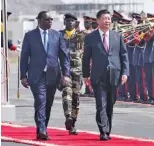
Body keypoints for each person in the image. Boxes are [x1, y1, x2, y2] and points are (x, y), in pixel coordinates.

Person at [20, 11, 70, 140]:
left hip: (53, 75)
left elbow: (64, 56)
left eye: (51, 20)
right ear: (40, 20)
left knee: (48, 103)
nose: (50, 22)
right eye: (48, 20)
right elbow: (24, 56)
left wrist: (66, 74)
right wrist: (23, 76)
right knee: (40, 101)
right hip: (36, 75)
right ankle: (42, 130)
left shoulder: (57, 35)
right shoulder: (30, 36)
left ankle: (42, 129)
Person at [82, 9, 129, 141]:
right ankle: (103, 131)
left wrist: (125, 72)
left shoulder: (116, 36)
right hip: (98, 76)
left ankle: (108, 129)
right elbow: (86, 57)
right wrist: (86, 75)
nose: (107, 21)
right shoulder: (91, 38)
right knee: (100, 104)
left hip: (114, 75)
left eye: (109, 18)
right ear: (98, 21)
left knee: (110, 104)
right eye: (104, 18)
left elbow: (124, 55)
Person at [59, 13, 83, 134]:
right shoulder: (59, 35)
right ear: (64, 22)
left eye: (72, 21)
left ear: (75, 23)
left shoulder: (81, 36)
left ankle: (73, 123)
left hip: (78, 72)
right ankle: (68, 116)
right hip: (65, 72)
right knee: (66, 93)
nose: (70, 23)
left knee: (76, 98)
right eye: (67, 21)